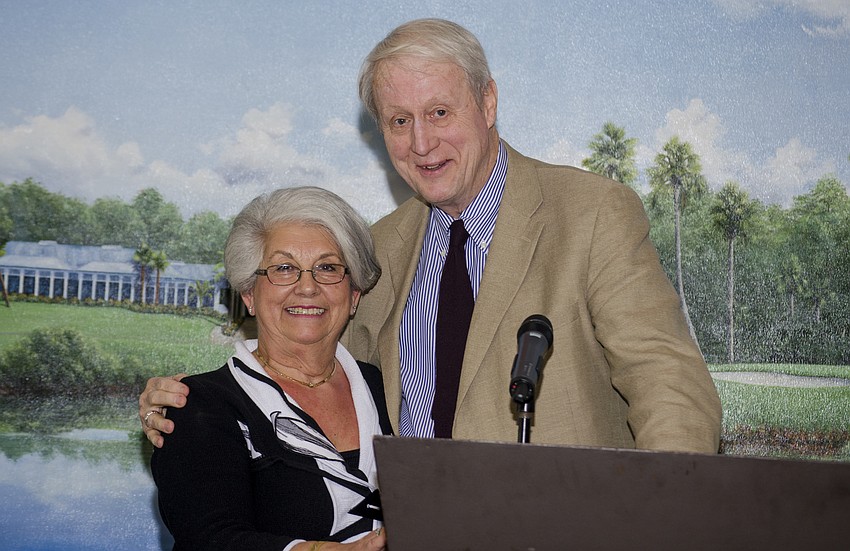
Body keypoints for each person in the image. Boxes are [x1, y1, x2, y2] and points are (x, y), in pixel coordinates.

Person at [141, 19, 721, 454]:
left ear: (487, 101)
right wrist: (197, 406)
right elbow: (310, 370)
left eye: (440, 112)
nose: (421, 143)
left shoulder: (592, 213)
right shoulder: (376, 248)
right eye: (399, 121)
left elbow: (666, 382)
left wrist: (656, 518)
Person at [149, 187, 389, 551]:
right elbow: (209, 538)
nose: (307, 287)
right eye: (284, 268)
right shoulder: (201, 405)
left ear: (354, 295)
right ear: (249, 294)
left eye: (328, 268)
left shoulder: (385, 388)